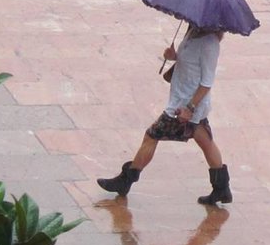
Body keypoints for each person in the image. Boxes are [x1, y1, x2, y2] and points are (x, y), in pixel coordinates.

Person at [97, 25, 230, 205]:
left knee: (152, 135)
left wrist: (190, 108)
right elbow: (188, 63)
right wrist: (173, 56)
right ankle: (222, 189)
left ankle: (125, 180)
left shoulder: (209, 44)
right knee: (206, 141)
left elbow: (207, 82)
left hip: (185, 106)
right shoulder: (192, 32)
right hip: (182, 100)